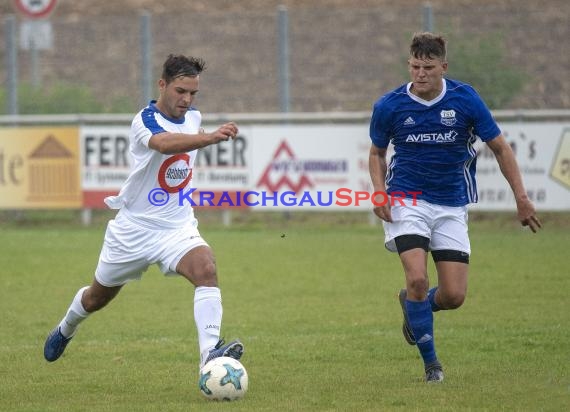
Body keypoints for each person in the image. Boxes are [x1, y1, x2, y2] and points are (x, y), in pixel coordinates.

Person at [44, 54, 244, 368]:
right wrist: (210, 137)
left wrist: (204, 133)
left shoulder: (193, 118)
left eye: (193, 93)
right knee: (97, 297)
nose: (187, 99)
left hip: (176, 227)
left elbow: (185, 139)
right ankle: (66, 327)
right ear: (162, 85)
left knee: (206, 268)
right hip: (134, 230)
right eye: (180, 91)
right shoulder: (145, 119)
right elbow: (164, 144)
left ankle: (210, 357)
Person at [368, 32, 541, 383]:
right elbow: (376, 154)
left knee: (454, 296)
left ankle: (414, 304)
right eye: (415, 66)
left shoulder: (465, 100)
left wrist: (521, 197)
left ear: (443, 67)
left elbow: (501, 148)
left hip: (452, 204)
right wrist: (378, 192)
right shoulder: (390, 105)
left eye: (428, 67)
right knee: (418, 278)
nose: (420, 74)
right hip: (407, 199)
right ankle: (432, 366)